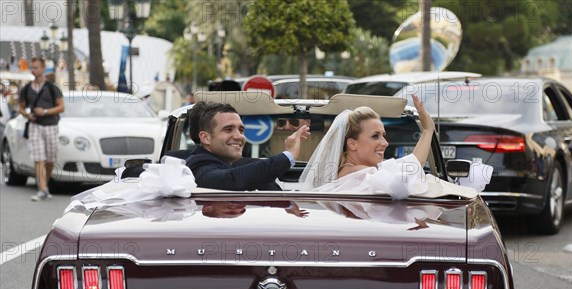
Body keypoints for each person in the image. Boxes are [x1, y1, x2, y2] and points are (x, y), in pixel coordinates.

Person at [299, 94, 487, 199]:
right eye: (375, 136)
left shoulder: (350, 171)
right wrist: (428, 130)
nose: (385, 143)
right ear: (352, 143)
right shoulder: (358, 174)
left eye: (384, 135)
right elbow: (406, 175)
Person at [185, 102, 310, 191]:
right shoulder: (197, 167)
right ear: (205, 138)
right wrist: (289, 155)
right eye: (228, 129)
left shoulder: (229, 165)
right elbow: (234, 180)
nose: (239, 136)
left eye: (241, 130)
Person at [19, 57, 65, 201]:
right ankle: (43, 189)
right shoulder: (26, 88)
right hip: (35, 126)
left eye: (36, 67)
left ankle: (45, 183)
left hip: (51, 125)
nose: (33, 70)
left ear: (43, 68)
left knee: (50, 159)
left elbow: (61, 107)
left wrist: (44, 111)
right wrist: (28, 115)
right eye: (32, 67)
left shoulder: (52, 87)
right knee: (39, 158)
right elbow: (20, 108)